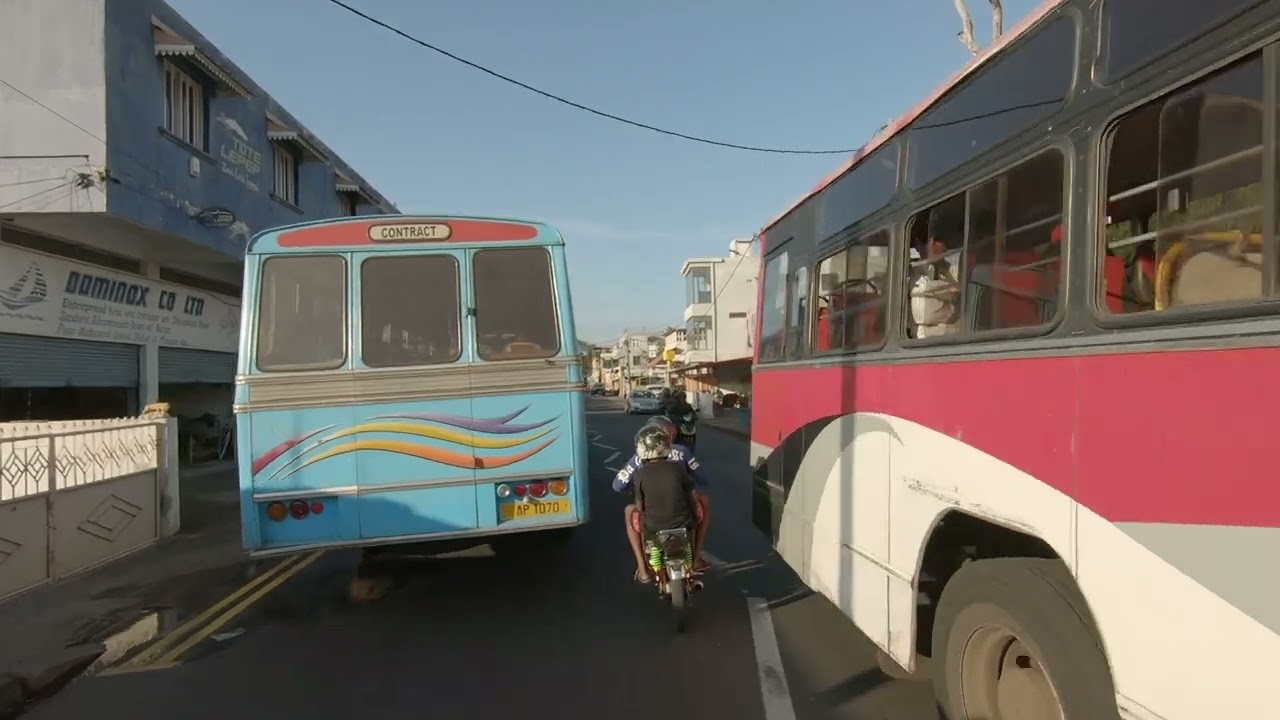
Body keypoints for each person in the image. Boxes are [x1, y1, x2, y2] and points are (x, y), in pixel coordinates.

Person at [613, 419, 711, 582]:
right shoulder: (681, 452)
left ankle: (643, 569)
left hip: (652, 523)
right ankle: (696, 559)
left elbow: (618, 486)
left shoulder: (637, 464)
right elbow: (702, 479)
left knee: (629, 510)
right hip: (684, 519)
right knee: (704, 501)